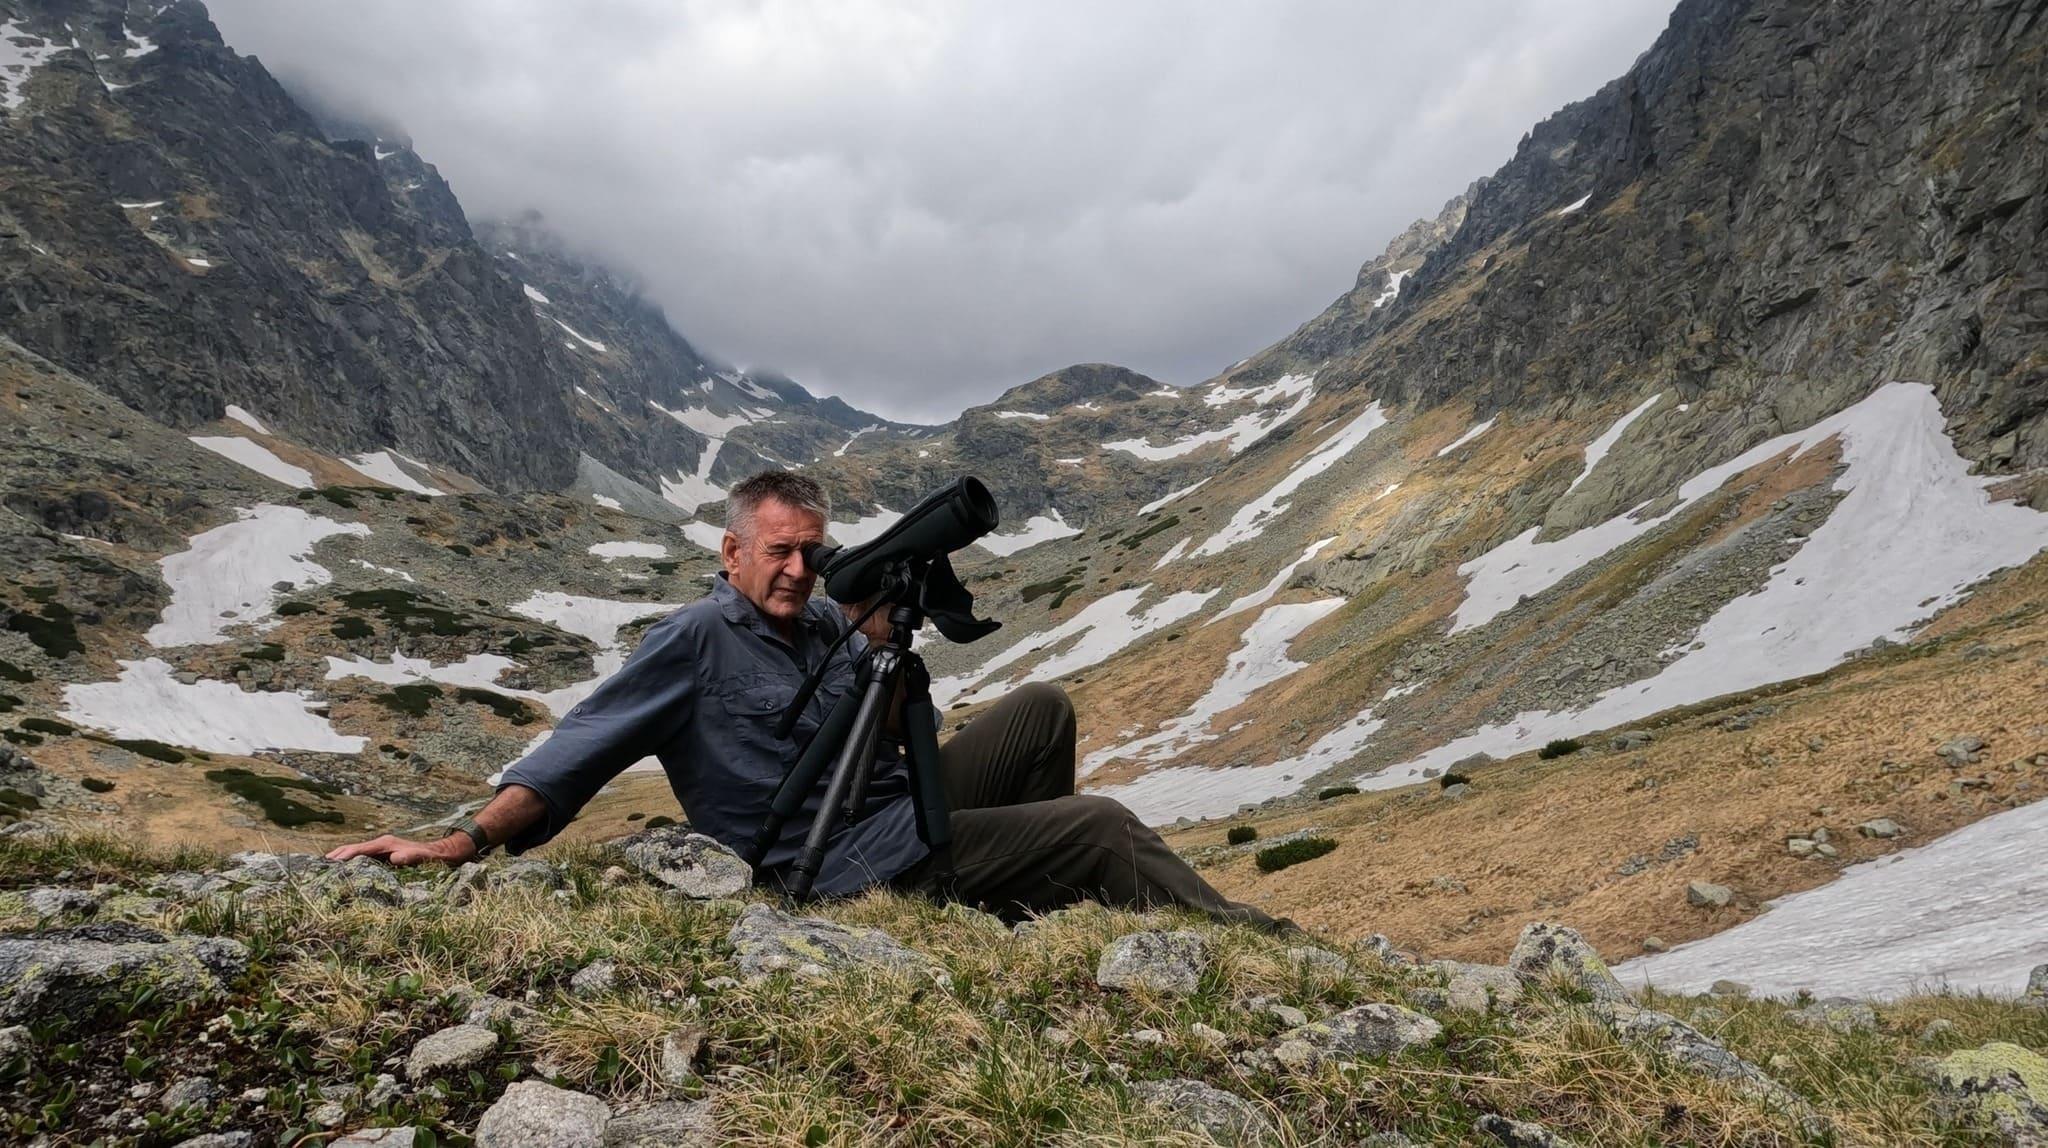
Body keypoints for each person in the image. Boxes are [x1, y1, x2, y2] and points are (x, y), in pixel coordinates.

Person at [329, 470, 1280, 930]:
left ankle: (1015, 904)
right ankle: (1243, 936)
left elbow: (906, 736)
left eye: (809, 552)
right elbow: (576, 754)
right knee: (1102, 825)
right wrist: (463, 842)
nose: (795, 571)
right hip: (825, 864)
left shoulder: (828, 625)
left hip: (891, 813)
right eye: (775, 552)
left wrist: (884, 636)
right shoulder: (695, 642)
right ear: (731, 553)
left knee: (1042, 710)